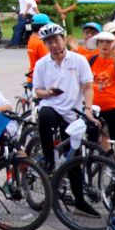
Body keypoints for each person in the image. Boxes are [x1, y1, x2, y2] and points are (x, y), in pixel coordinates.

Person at [30, 24, 95, 209]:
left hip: (72, 112)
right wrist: (48, 93)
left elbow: (88, 86)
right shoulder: (42, 64)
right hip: (52, 106)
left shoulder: (79, 60)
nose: (55, 45)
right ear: (45, 44)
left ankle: (80, 200)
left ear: (64, 39)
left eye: (57, 40)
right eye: (49, 42)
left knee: (72, 159)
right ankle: (49, 159)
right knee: (45, 115)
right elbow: (38, 91)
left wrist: (88, 109)